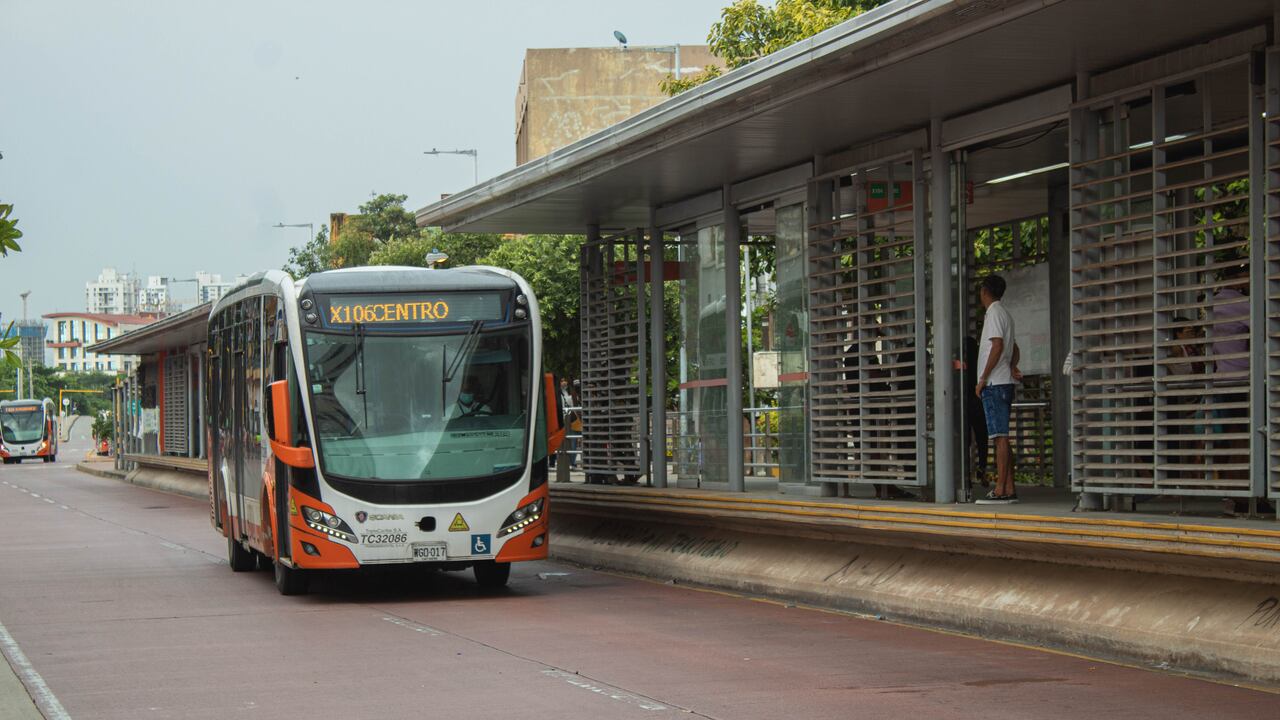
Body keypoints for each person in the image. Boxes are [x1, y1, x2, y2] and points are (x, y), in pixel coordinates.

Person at [975, 275, 1022, 503]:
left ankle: (1001, 489)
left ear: (985, 291)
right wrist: (1012, 366)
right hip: (1004, 380)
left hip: (995, 383)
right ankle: (1009, 487)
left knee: (999, 437)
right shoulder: (1005, 314)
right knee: (1002, 436)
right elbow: (1014, 347)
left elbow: (998, 346)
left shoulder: (993, 312)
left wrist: (983, 378)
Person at [963, 336, 990, 488]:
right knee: (982, 439)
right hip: (979, 403)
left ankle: (965, 475)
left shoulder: (962, 364)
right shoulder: (980, 362)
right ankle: (982, 469)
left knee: (965, 441)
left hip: (965, 404)